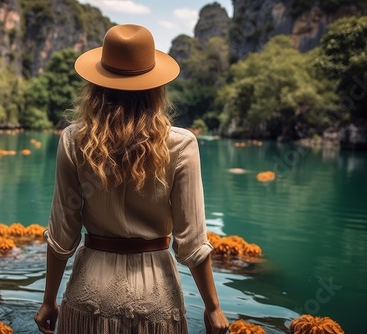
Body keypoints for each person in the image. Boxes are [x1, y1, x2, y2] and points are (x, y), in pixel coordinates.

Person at [34, 24, 229, 334]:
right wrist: (213, 307)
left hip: (89, 292)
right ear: (156, 87)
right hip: (155, 294)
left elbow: (61, 236)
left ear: (97, 84)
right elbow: (192, 244)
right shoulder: (181, 144)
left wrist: (48, 300)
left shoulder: (73, 141)